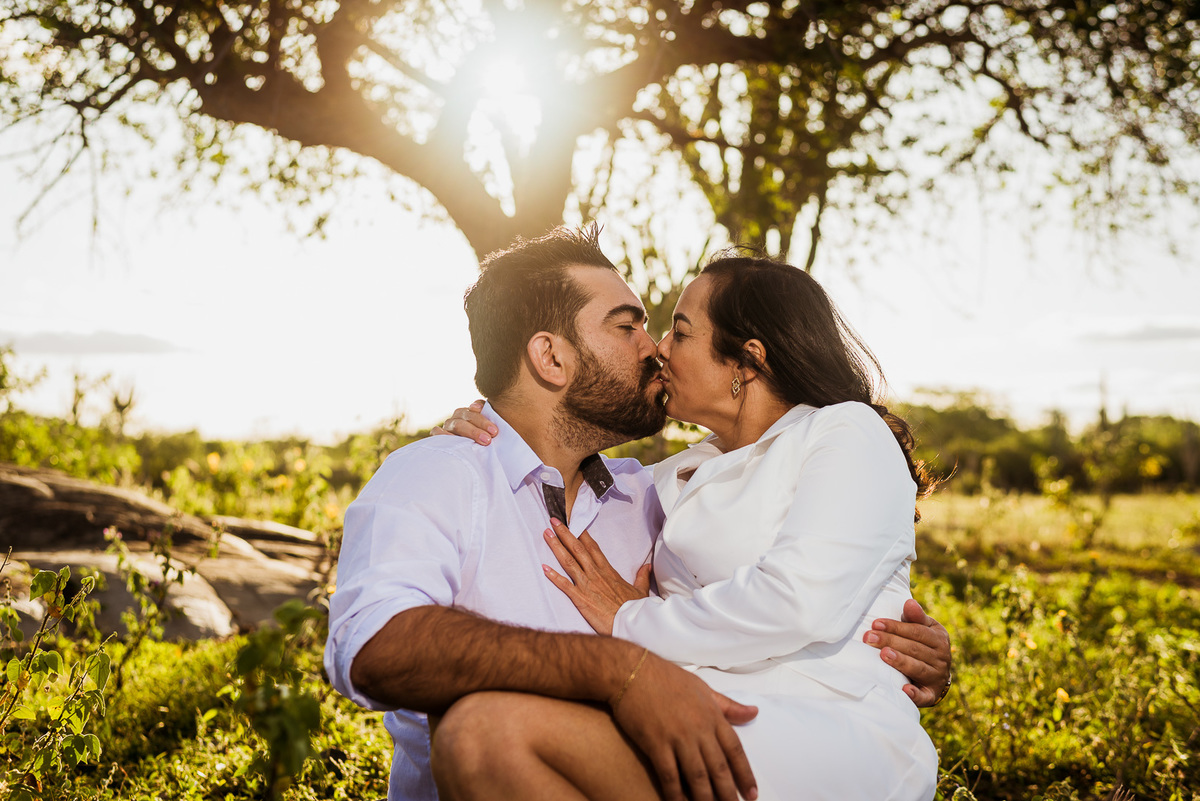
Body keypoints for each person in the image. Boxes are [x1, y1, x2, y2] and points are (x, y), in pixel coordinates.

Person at [324, 226, 951, 801]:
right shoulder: (443, 475)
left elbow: (791, 572)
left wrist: (897, 633)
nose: (655, 349)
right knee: (484, 733)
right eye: (630, 327)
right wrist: (621, 669)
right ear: (551, 357)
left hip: (759, 735)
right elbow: (371, 647)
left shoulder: (645, 494)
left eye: (673, 330)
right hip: (560, 761)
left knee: (491, 730)